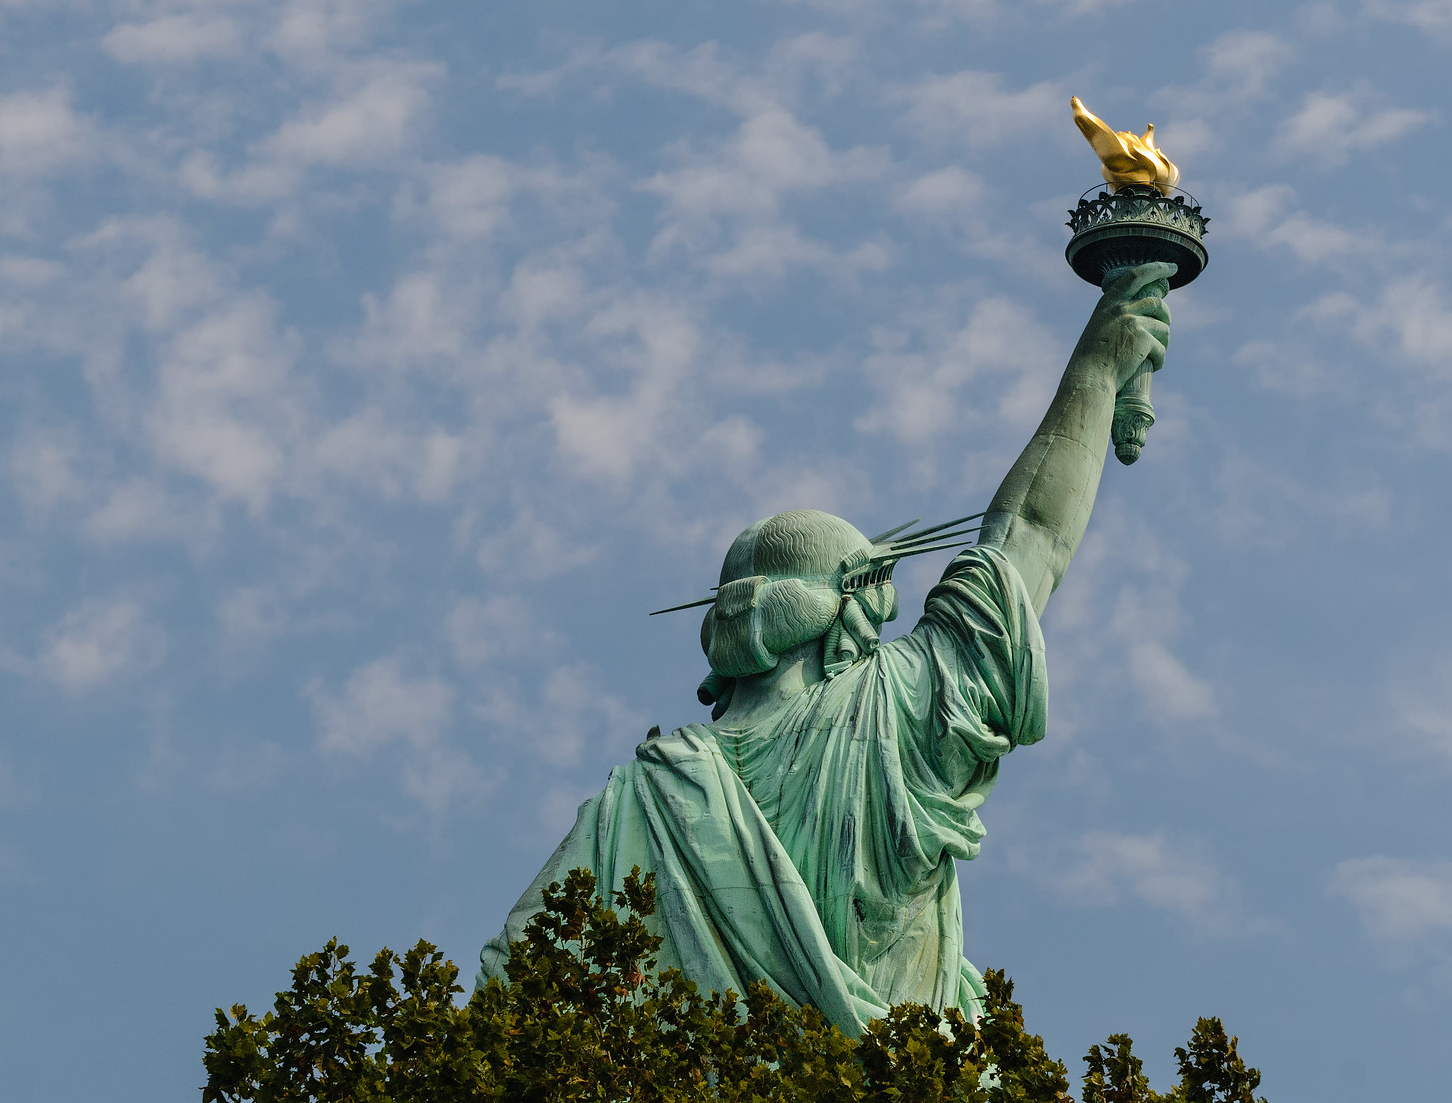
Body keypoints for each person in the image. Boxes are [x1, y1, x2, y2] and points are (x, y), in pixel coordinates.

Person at [478, 262, 1175, 1034]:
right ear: (851, 609)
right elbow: (1028, 539)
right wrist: (1100, 367)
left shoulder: (646, 795)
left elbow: (516, 972)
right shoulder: (900, 711)